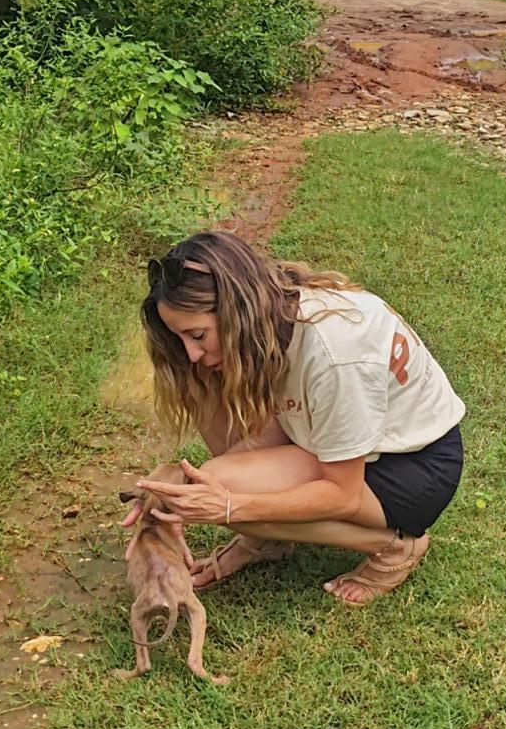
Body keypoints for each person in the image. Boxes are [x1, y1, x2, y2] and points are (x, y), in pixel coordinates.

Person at [127, 232, 464, 607]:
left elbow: (343, 494)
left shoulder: (334, 353)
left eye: (197, 335)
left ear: (238, 309)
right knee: (208, 420)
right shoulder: (278, 312)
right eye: (182, 338)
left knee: (226, 485)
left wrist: (228, 507)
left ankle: (395, 546)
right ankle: (266, 536)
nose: (190, 352)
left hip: (411, 465)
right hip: (343, 441)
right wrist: (172, 485)